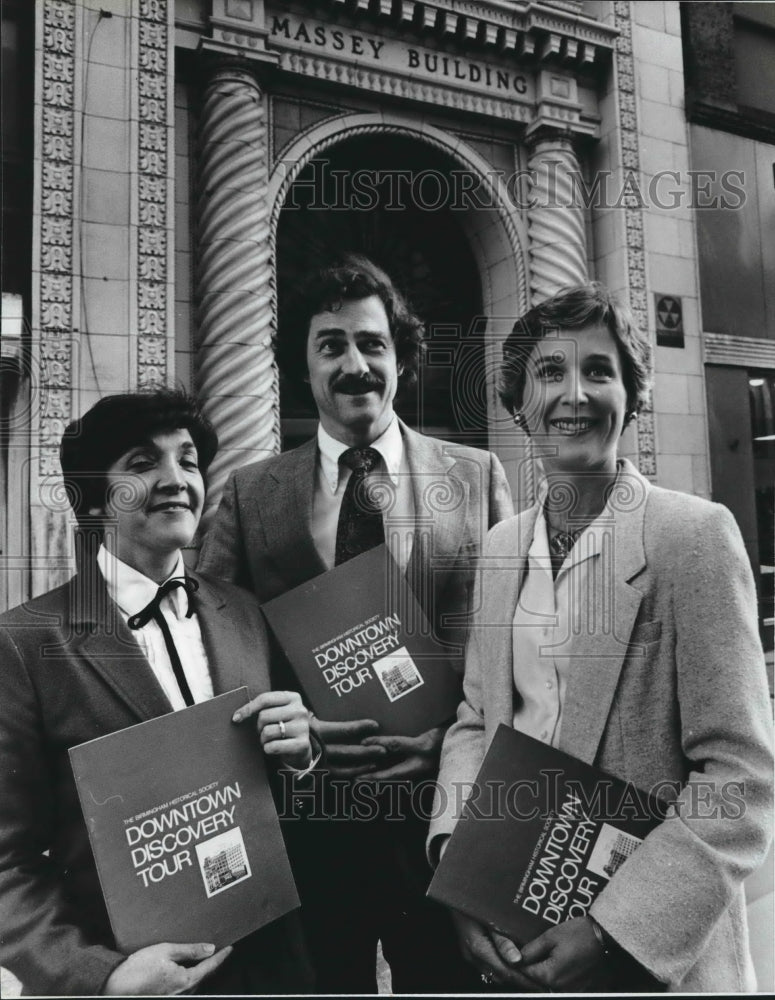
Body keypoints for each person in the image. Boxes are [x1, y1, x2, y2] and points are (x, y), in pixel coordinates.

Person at [429, 283, 774, 992]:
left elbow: (738, 780)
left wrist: (612, 926)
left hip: (657, 959)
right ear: (517, 403)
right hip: (515, 930)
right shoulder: (498, 551)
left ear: (631, 395)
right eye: (550, 373)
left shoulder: (691, 538)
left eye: (599, 371)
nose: (574, 394)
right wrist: (456, 863)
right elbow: (475, 722)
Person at [198, 253, 513, 992]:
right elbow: (214, 650)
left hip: (441, 814)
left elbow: (514, 648)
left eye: (371, 344)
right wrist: (281, 724)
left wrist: (457, 741)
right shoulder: (249, 495)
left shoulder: (476, 479)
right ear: (303, 368)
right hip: (309, 821)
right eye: (330, 345)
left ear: (400, 357)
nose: (354, 365)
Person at [0, 390, 317, 996]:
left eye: (189, 460)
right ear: (87, 498)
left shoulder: (244, 613)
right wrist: (101, 978)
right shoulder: (22, 643)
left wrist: (301, 756)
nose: (175, 480)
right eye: (143, 463)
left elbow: (273, 796)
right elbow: (5, 862)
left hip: (273, 962)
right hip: (135, 974)